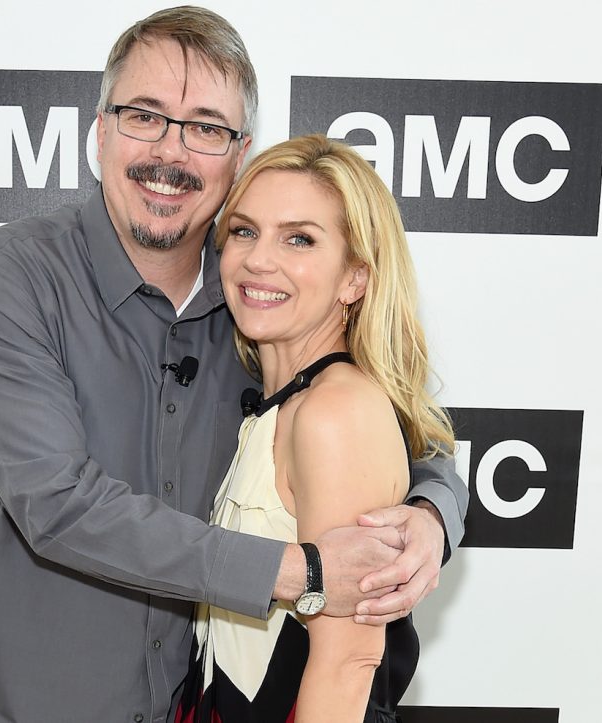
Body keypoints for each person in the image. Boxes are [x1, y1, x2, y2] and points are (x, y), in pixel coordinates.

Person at [0, 8, 467, 723]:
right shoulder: (12, 277)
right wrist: (304, 573)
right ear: (100, 129)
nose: (170, 153)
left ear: (238, 155)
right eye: (145, 115)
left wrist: (429, 513)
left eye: (205, 127)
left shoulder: (263, 304)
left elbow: (392, 429)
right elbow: (58, 505)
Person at [175, 135, 455, 723]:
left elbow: (348, 664)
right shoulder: (273, 400)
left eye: (299, 238)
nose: (259, 260)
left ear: (355, 277)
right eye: (244, 231)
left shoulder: (335, 413)